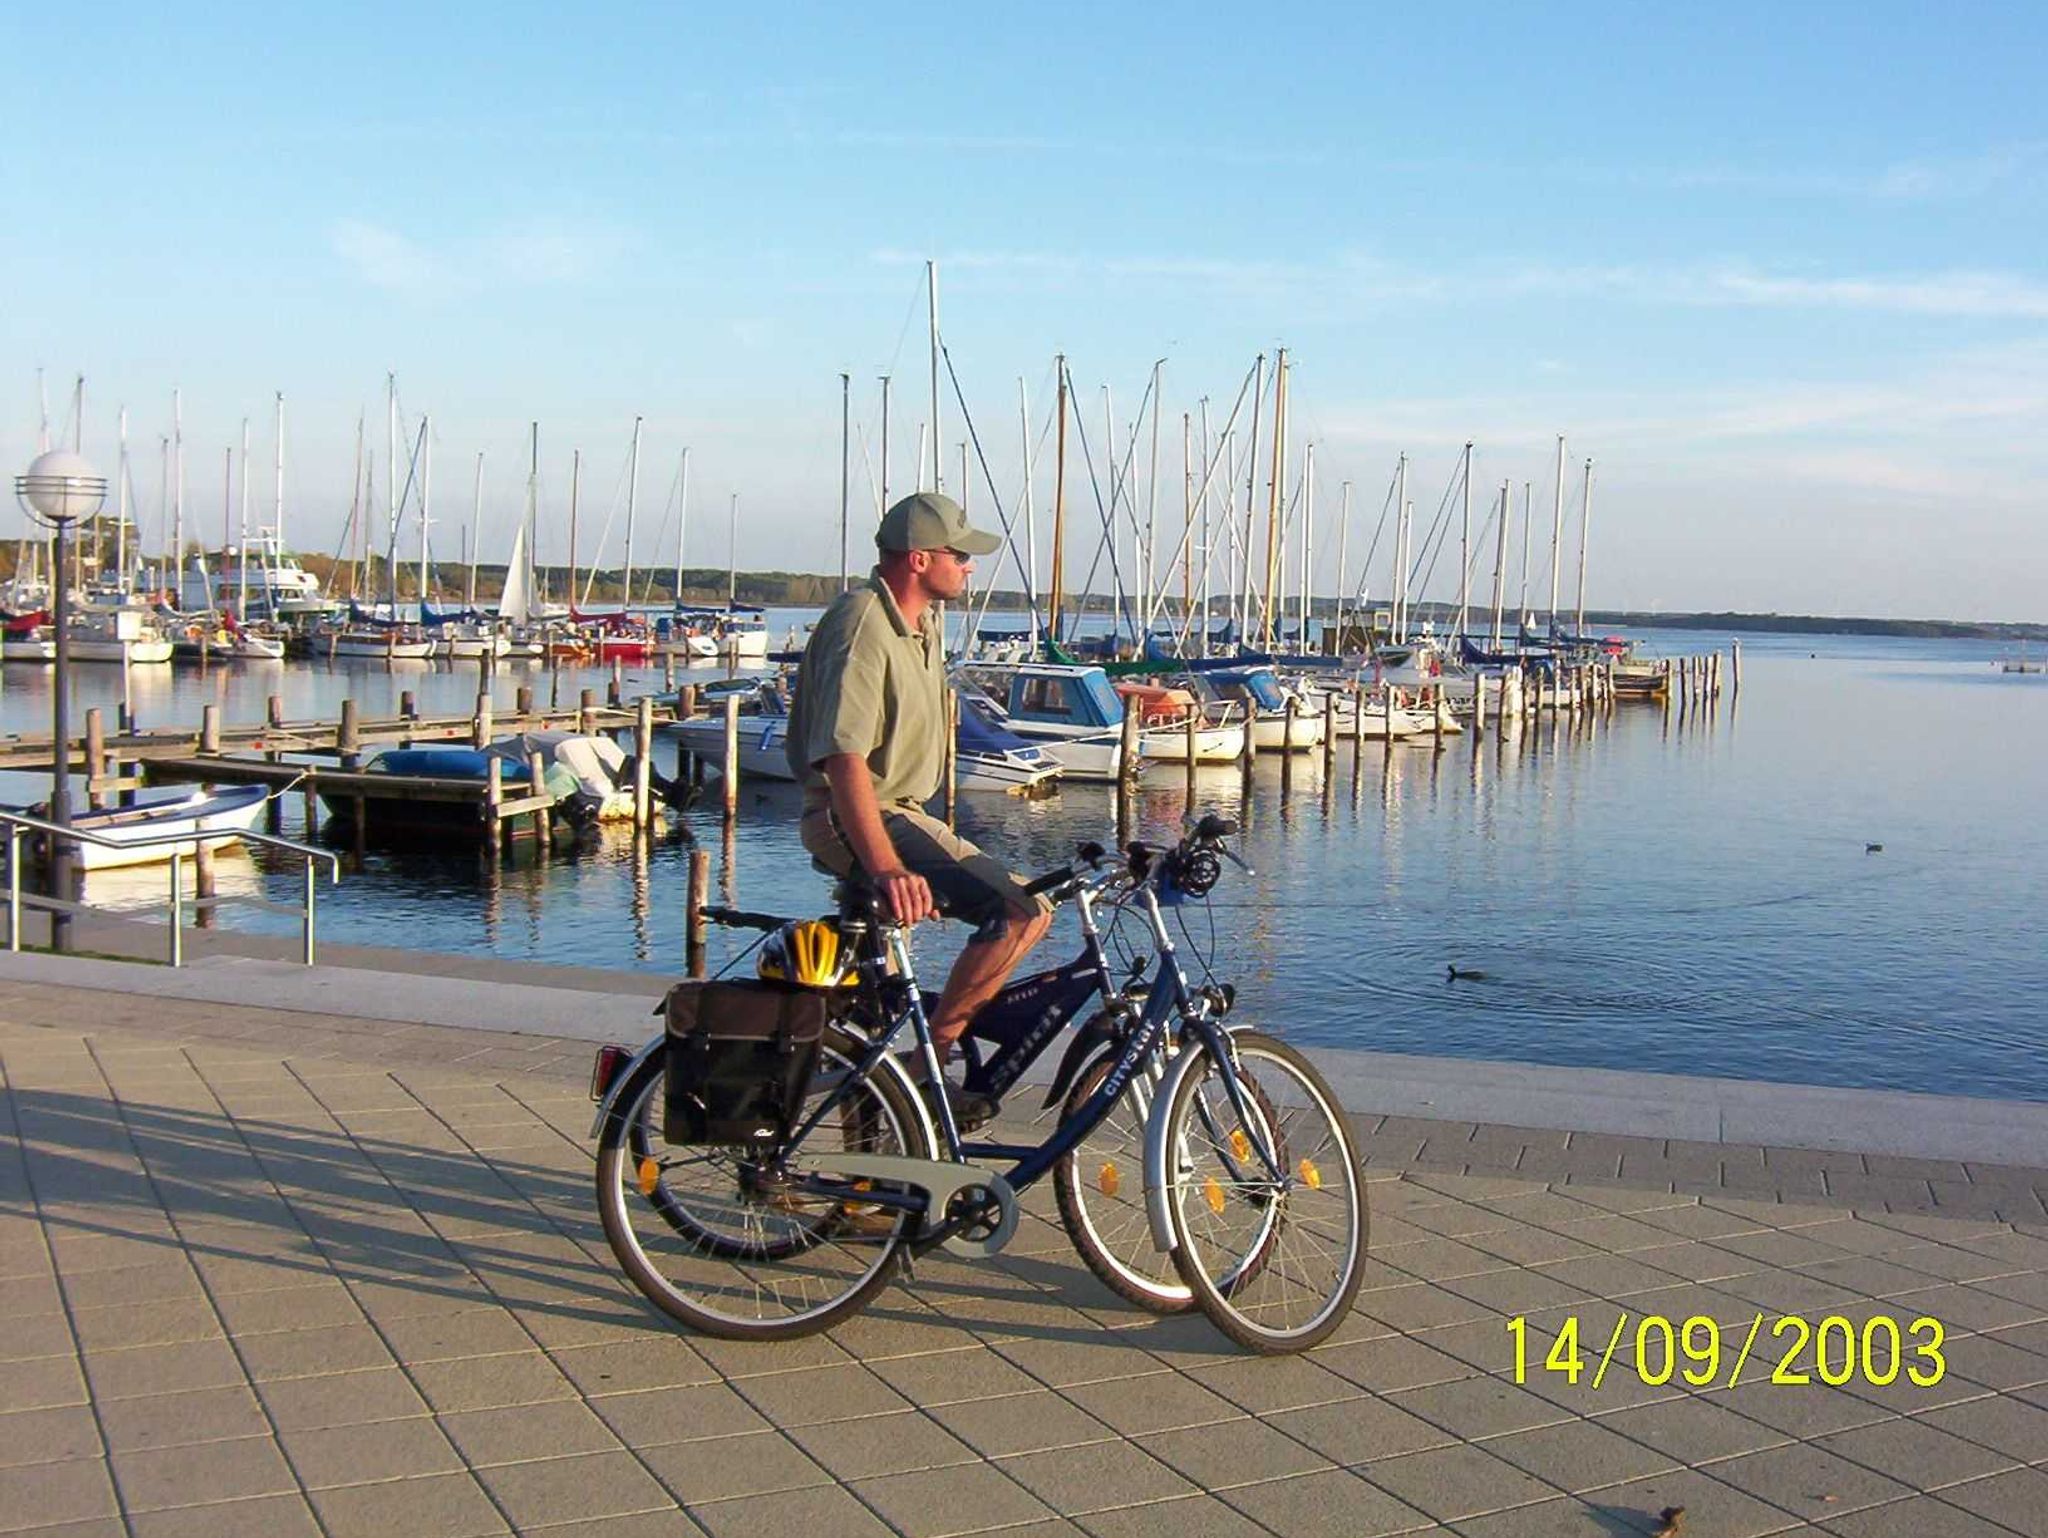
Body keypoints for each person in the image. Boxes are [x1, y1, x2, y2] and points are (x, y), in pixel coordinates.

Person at [785, 491, 1054, 1118]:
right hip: (859, 816)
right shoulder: (862, 624)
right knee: (1021, 911)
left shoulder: (922, 623)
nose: (970, 567)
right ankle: (929, 1069)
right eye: (959, 555)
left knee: (872, 1011)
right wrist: (887, 871)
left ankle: (872, 1169)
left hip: (901, 811)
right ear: (918, 558)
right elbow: (843, 759)